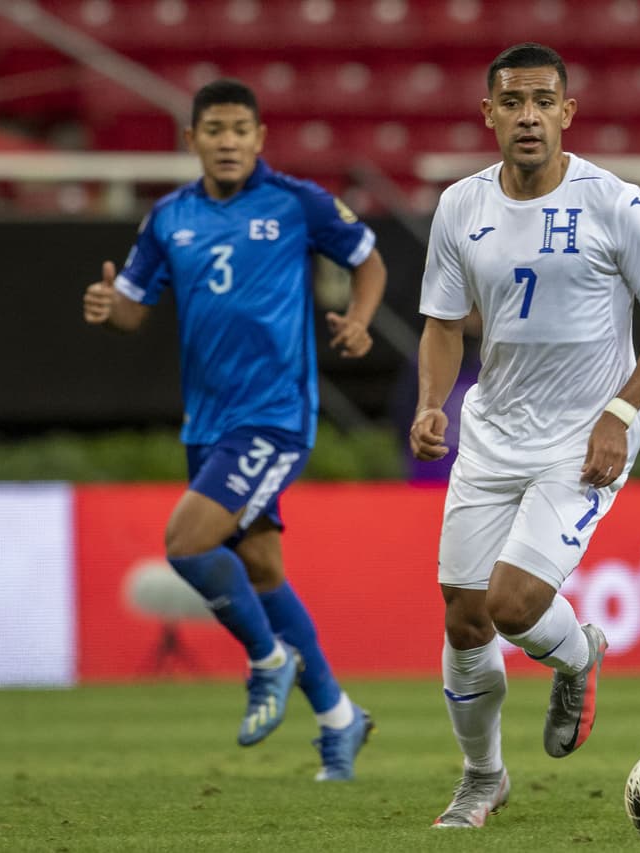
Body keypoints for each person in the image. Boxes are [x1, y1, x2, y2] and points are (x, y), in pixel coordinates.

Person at [410, 43, 640, 829]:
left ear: (567, 112)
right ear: (489, 114)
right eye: (513, 102)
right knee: (464, 615)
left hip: (585, 436)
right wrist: (432, 401)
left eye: (543, 101)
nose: (528, 115)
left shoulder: (617, 204)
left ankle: (577, 655)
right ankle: (482, 777)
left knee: (512, 602)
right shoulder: (460, 207)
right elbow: (441, 323)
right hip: (492, 433)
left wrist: (624, 410)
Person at [82, 79, 387, 782]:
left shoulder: (297, 203)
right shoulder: (169, 218)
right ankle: (341, 719)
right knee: (262, 570)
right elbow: (133, 308)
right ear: (192, 140)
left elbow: (368, 259)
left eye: (239, 129)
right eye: (213, 129)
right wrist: (108, 306)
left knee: (186, 542)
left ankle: (267, 662)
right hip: (208, 423)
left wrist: (362, 319)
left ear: (259, 138)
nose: (226, 142)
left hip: (275, 415)